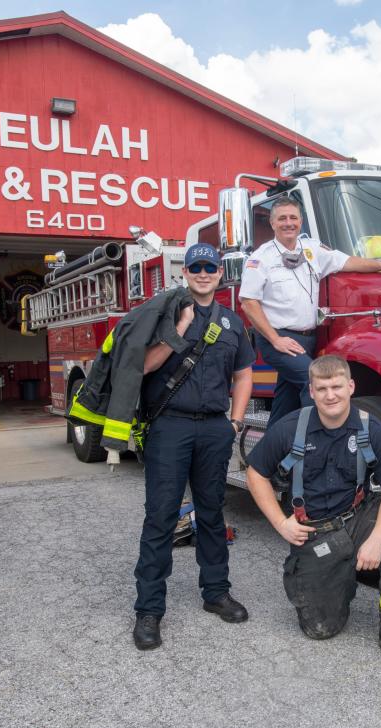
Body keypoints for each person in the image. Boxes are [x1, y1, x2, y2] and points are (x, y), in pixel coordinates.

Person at [244, 355, 381, 667]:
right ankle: (336, 575)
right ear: (312, 391)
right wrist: (280, 523)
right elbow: (256, 473)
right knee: (321, 628)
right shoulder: (290, 428)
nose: (330, 395)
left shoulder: (370, 428)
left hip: (357, 515)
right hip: (316, 527)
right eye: (322, 388)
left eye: (336, 386)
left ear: (350, 386)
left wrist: (376, 539)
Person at [132, 243, 255, 650]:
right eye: (196, 267)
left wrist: (235, 422)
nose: (204, 273)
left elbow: (243, 375)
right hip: (170, 427)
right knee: (161, 516)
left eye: (211, 267)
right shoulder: (165, 313)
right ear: (185, 272)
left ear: (221, 274)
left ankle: (216, 592)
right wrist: (181, 329)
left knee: (211, 513)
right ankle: (149, 610)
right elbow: (145, 365)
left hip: (214, 430)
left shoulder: (233, 322)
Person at [239, 196, 381, 427]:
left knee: (285, 401)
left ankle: (271, 452)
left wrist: (380, 265)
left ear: (301, 221)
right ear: (272, 224)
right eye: (282, 219)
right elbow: (248, 302)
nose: (288, 223)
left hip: (308, 338)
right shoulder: (261, 258)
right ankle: (313, 445)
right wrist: (276, 340)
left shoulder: (312, 249)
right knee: (314, 383)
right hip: (278, 339)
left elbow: (346, 262)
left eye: (293, 218)